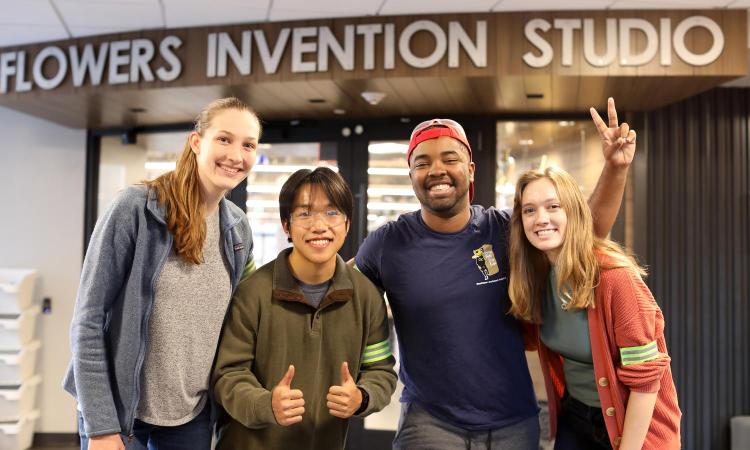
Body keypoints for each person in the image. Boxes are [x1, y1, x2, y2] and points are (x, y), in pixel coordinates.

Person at [354, 98, 635, 449]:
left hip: (512, 423)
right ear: (411, 176)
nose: (437, 169)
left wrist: (615, 169)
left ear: (471, 169)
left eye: (450, 159)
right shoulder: (387, 243)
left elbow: (582, 233)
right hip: (430, 422)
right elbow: (343, 291)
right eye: (422, 163)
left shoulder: (505, 230)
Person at [63, 97, 259, 450]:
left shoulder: (237, 229)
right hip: (122, 415)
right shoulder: (136, 209)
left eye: (248, 145)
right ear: (197, 142)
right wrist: (101, 426)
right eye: (224, 139)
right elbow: (88, 320)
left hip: (192, 415)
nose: (236, 155)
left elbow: (250, 304)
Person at [212, 167, 397, 450]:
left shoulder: (367, 298)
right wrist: (266, 404)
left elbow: (381, 371)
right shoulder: (253, 293)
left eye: (332, 212)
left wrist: (362, 396)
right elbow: (228, 375)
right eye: (305, 213)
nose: (319, 225)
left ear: (347, 224)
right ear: (286, 225)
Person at [508, 165, 681, 450]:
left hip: (633, 427)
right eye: (529, 210)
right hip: (575, 418)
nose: (541, 219)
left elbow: (646, 383)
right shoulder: (537, 278)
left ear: (574, 212)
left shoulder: (615, 278)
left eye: (553, 206)